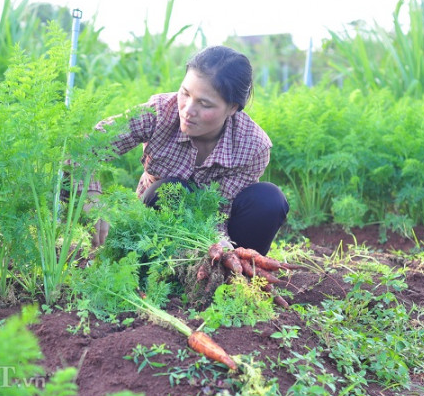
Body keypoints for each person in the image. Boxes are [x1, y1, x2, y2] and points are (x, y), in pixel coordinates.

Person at [88, 45, 289, 255]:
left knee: (269, 200)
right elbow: (89, 145)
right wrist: (92, 196)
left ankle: (236, 274)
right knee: (168, 190)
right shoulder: (159, 113)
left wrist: (217, 244)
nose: (188, 110)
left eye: (204, 104)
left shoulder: (253, 146)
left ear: (232, 108)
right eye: (185, 93)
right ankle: (158, 274)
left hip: (224, 234)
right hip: (157, 233)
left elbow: (220, 210)